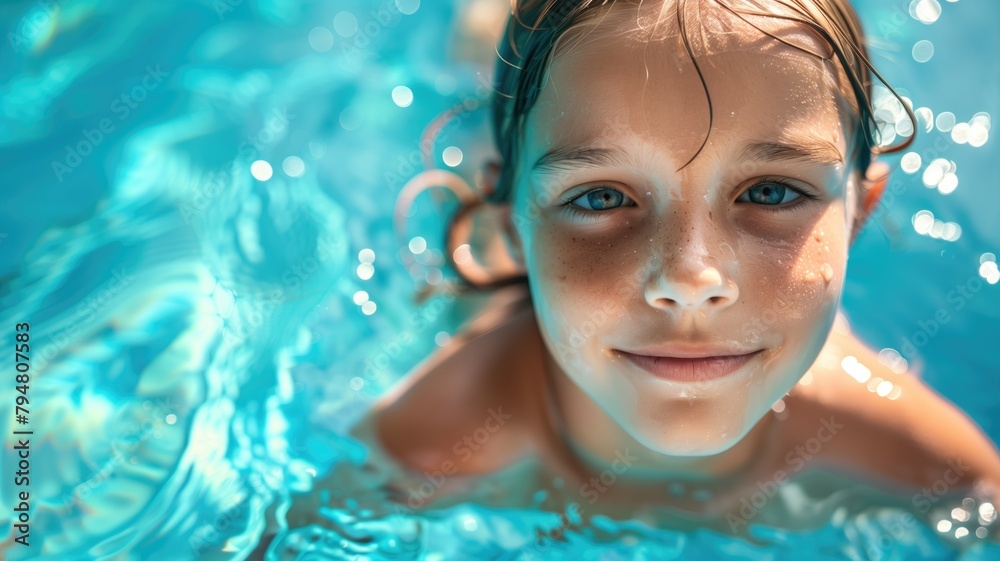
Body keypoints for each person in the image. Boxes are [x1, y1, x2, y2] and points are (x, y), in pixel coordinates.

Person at [274, 0, 1000, 548]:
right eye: (601, 198)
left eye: (772, 191)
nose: (690, 276)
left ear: (860, 209)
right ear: (513, 226)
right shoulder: (441, 439)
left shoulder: (912, 451)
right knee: (481, 58)